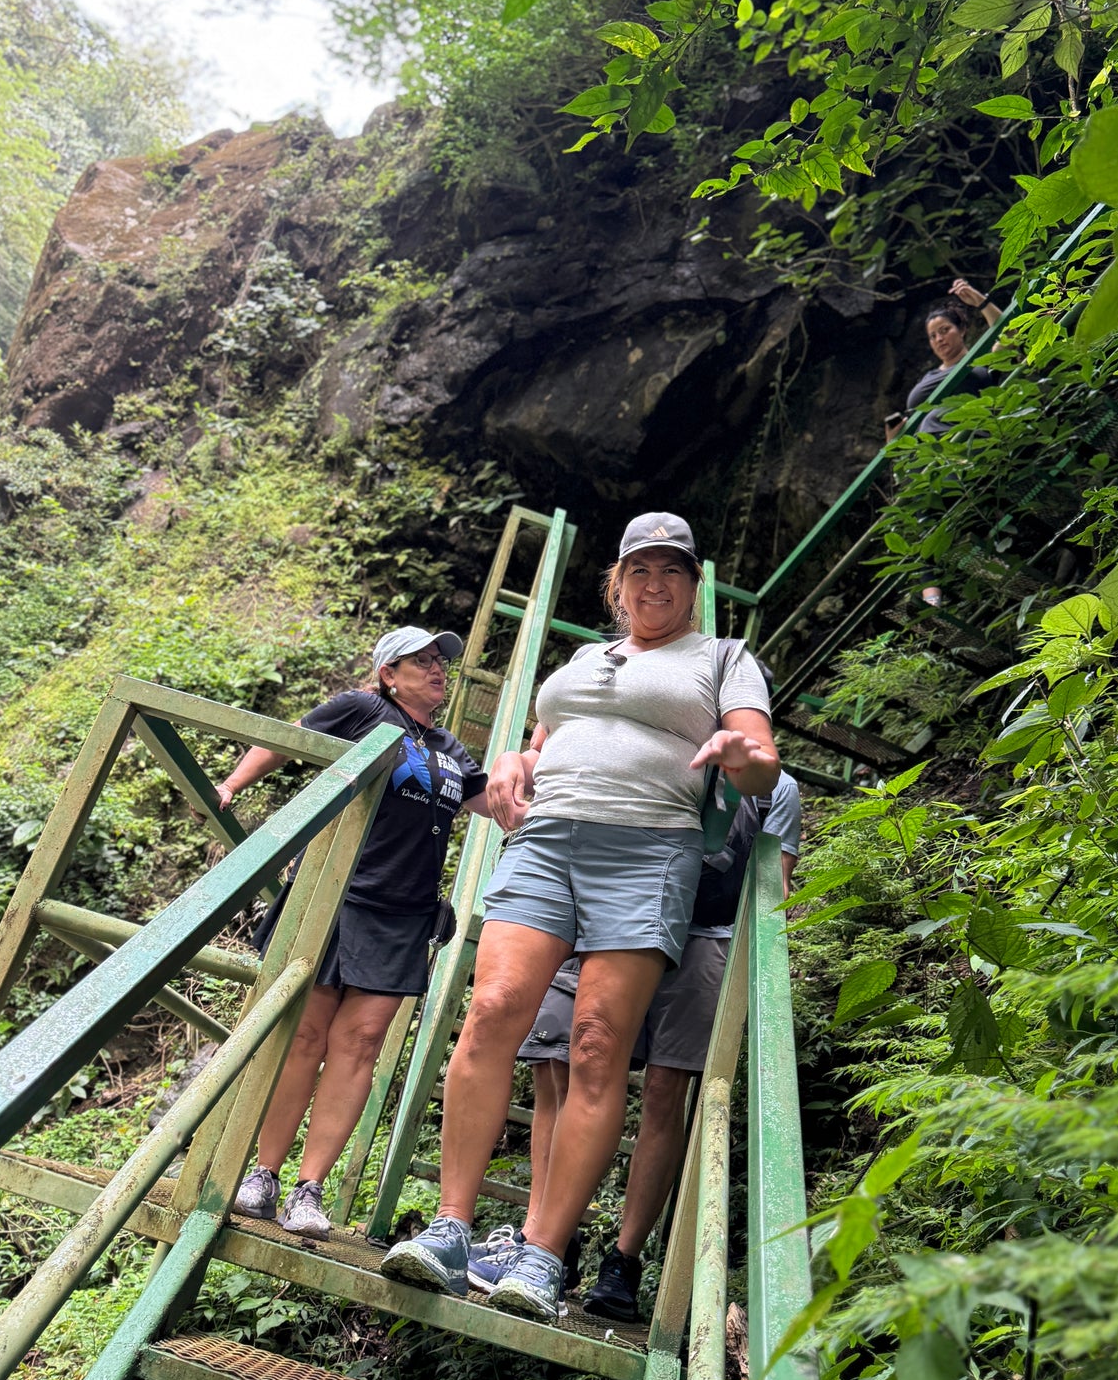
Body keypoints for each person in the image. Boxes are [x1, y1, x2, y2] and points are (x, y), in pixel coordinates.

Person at [379, 512, 780, 1323]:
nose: (654, 583)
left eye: (671, 569)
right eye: (639, 569)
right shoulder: (580, 659)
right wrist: (512, 760)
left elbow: (760, 759)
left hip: (647, 849)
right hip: (546, 838)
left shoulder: (723, 659)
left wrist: (742, 760)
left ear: (693, 584)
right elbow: (539, 741)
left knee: (597, 1045)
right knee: (492, 1011)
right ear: (617, 581)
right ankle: (451, 1229)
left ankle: (540, 1258)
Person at [468, 767, 803, 1322]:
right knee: (565, 1068)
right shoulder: (663, 751)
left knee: (666, 1093)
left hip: (706, 937)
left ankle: (623, 1261)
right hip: (618, 923)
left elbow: (775, 887)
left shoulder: (776, 790)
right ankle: (544, 1238)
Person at [213, 626, 493, 1239]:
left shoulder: (450, 746)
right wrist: (234, 784)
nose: (436, 670)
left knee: (361, 1043)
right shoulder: (364, 708)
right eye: (419, 662)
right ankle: (262, 1173)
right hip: (339, 897)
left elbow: (494, 802)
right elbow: (291, 742)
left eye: (439, 663)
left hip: (406, 911)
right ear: (388, 673)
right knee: (305, 1035)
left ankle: (309, 1189)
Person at [888, 278, 1003, 441]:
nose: (939, 339)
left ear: (962, 329)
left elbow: (1008, 333)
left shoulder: (980, 360)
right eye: (933, 336)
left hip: (970, 439)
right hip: (927, 454)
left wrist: (979, 300)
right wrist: (894, 439)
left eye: (944, 330)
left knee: (934, 417)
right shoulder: (928, 377)